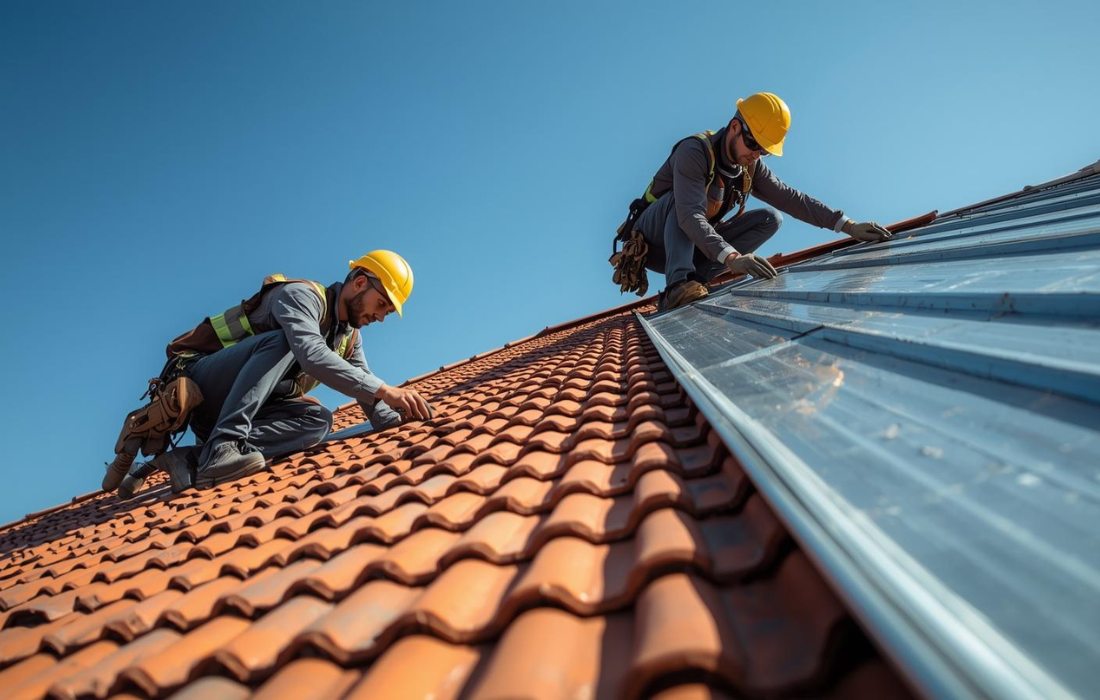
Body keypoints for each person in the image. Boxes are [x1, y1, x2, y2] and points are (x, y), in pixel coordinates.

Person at [102, 250, 433, 495]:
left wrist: (405, 417)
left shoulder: (348, 338)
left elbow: (368, 392)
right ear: (359, 283)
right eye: (381, 305)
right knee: (284, 342)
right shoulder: (302, 296)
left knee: (319, 420)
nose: (381, 317)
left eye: (388, 312)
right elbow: (311, 354)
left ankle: (194, 457)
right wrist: (387, 389)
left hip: (239, 410)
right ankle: (222, 448)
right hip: (199, 386)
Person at [620, 92, 893, 311]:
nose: (757, 155)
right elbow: (690, 215)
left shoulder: (750, 167)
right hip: (655, 245)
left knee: (770, 219)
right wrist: (733, 258)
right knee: (681, 204)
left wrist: (848, 226)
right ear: (735, 128)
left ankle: (697, 281)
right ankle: (677, 286)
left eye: (764, 151)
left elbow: (791, 198)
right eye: (754, 145)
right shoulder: (694, 152)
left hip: (696, 242)